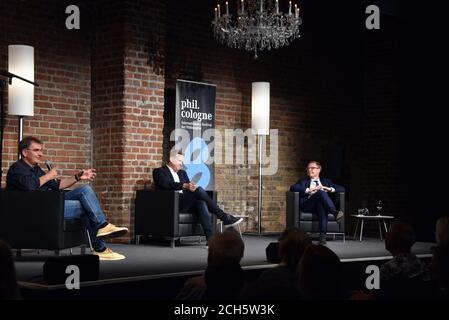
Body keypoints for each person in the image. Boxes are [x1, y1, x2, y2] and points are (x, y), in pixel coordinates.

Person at [6, 136, 128, 261]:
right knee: (85, 206)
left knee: (84, 190)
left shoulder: (36, 169)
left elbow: (57, 185)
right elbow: (29, 186)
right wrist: (48, 176)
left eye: (41, 150)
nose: (41, 154)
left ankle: (102, 227)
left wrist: (78, 177)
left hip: (51, 202)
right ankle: (100, 247)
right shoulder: (17, 169)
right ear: (25, 152)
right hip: (37, 210)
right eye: (37, 150)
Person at [153, 150, 243, 241]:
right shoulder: (159, 172)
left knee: (201, 203)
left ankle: (210, 239)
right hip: (173, 203)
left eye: (182, 162)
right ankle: (223, 216)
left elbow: (187, 189)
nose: (182, 164)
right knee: (199, 190)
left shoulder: (182, 173)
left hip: (186, 202)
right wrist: (184, 185)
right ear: (171, 160)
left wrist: (190, 188)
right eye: (180, 161)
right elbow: (166, 184)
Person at [176, 229, 246, 300]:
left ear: (210, 257)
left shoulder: (194, 286)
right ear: (240, 255)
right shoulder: (249, 291)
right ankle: (227, 218)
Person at [290, 161, 344, 244]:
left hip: (320, 205)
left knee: (321, 206)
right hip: (308, 205)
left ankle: (322, 236)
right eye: (308, 168)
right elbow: (293, 187)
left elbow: (342, 188)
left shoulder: (326, 181)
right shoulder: (303, 181)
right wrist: (308, 190)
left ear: (319, 170)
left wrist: (329, 188)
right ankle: (334, 212)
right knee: (321, 192)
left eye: (312, 168)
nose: (309, 170)